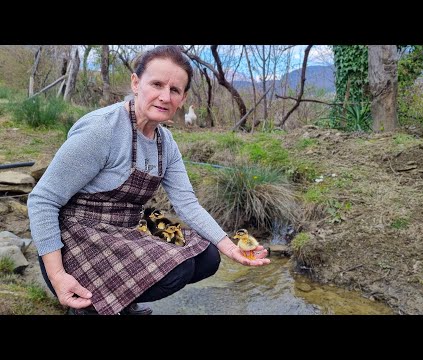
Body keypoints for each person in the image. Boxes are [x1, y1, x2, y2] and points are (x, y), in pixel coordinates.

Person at [27, 45, 270, 315]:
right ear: (135, 83)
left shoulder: (166, 143)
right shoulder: (102, 129)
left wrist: (229, 245)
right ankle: (91, 307)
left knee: (207, 257)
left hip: (124, 231)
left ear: (183, 98)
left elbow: (187, 204)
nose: (165, 96)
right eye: (156, 84)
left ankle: (120, 301)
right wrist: (58, 275)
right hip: (77, 240)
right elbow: (42, 200)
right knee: (179, 268)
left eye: (175, 90)